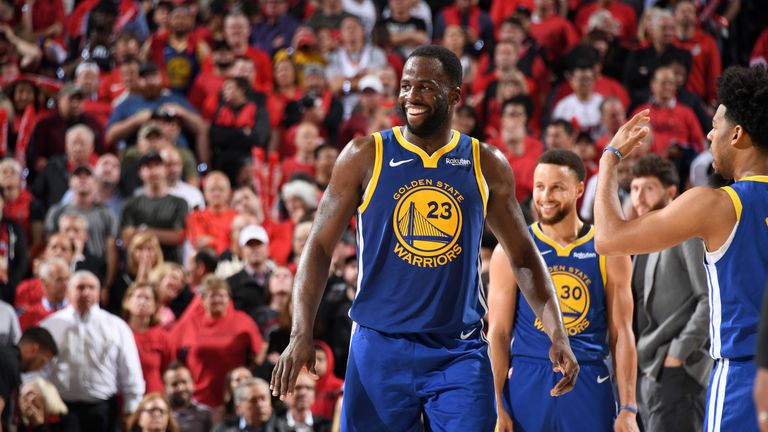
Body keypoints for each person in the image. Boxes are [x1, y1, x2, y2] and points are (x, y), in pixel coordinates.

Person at [271, 45, 578, 430]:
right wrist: (301, 330)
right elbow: (317, 246)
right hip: (379, 346)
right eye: (405, 86)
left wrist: (557, 332)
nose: (411, 97)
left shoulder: (485, 163)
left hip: (458, 352)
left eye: (425, 87)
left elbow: (523, 255)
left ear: (454, 96)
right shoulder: (365, 154)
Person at [594, 65, 768, 432]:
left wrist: (609, 159)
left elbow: (608, 238)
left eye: (715, 126)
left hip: (744, 375)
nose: (708, 135)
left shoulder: (718, 205)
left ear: (737, 134)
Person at [489, 149, 637, 432]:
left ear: (580, 189)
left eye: (557, 187)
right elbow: (498, 333)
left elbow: (623, 333)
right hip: (527, 380)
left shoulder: (608, 249)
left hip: (590, 378)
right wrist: (496, 403)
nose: (545, 197)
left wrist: (629, 407)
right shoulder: (512, 248)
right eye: (540, 187)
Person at [629, 155, 711, 432]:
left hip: (677, 369)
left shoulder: (686, 233)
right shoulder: (640, 239)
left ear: (671, 192)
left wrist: (678, 353)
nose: (639, 196)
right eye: (634, 188)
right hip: (645, 370)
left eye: (648, 188)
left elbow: (708, 299)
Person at [40, 271, 146, 431]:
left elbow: (130, 370)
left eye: (91, 287)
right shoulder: (50, 325)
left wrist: (131, 407)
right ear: (69, 291)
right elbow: (39, 369)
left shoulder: (117, 326)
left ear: (99, 291)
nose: (86, 292)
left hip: (103, 410)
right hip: (61, 408)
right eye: (80, 287)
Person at [170, 275, 264, 409]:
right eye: (212, 296)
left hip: (235, 400)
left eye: (222, 295)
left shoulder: (243, 321)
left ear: (229, 298)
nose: (217, 300)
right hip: (198, 400)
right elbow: (173, 353)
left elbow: (259, 354)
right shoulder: (191, 322)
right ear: (202, 300)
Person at [0, 326, 58, 431]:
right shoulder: (9, 363)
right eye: (42, 361)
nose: (39, 368)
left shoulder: (10, 361)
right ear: (33, 350)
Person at [123, 282, 175, 394]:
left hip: (154, 398)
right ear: (127, 302)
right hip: (124, 398)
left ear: (155, 306)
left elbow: (169, 370)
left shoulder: (162, 336)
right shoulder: (119, 332)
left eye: (147, 298)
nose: (142, 302)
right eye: (138, 297)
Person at [212, 378, 289, 432]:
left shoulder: (285, 429)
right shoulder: (222, 429)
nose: (260, 405)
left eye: (263, 399)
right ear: (238, 408)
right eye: (253, 400)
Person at [163, 362, 213, 432]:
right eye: (174, 384)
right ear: (165, 389)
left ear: (193, 384)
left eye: (184, 382)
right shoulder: (160, 414)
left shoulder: (206, 414)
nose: (180, 388)